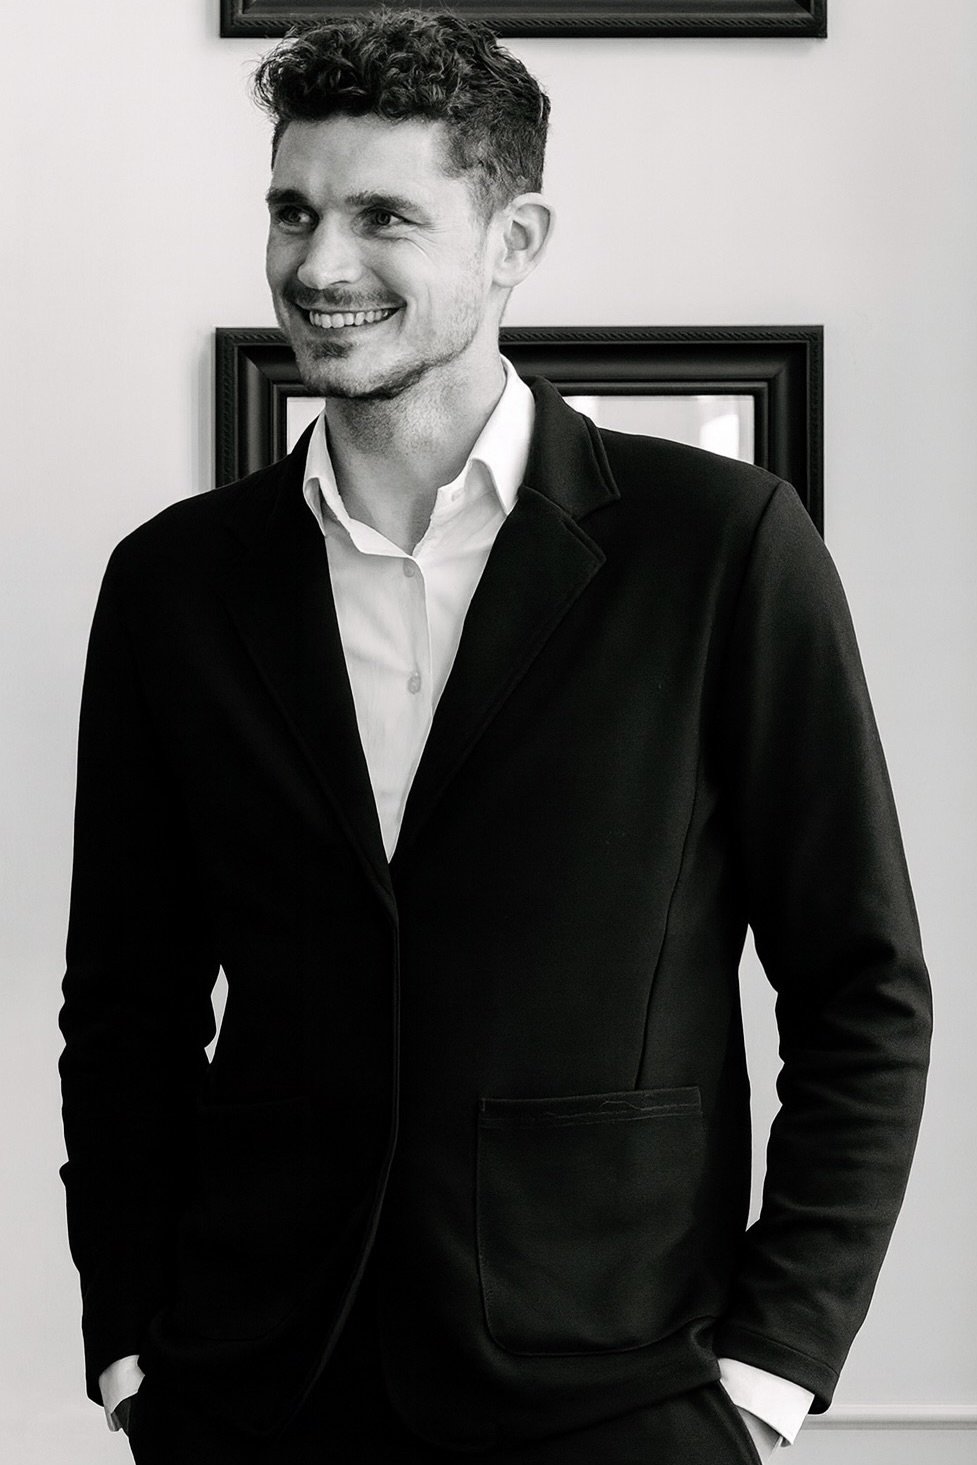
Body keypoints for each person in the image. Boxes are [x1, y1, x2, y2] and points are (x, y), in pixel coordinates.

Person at [58, 10, 932, 1464]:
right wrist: (132, 1343)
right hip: (251, 1390)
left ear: (513, 237)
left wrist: (776, 1362)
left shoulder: (718, 548)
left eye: (381, 216)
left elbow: (861, 986)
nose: (318, 267)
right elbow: (127, 1005)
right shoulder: (174, 584)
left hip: (621, 1390)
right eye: (292, 210)